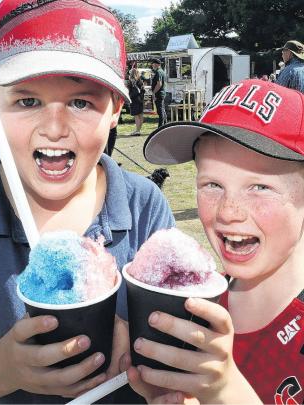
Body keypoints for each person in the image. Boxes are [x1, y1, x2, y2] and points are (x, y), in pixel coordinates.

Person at [0, 0, 175, 403]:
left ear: (115, 110)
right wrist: (0, 370)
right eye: (27, 101)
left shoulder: (144, 207)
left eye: (81, 102)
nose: (54, 128)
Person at [121, 79, 304, 404]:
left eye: (260, 186)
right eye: (212, 184)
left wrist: (225, 393)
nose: (229, 212)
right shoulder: (192, 306)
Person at [127, 68, 145, 136]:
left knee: (136, 115)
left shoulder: (130, 81)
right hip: (141, 99)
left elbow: (128, 90)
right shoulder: (140, 81)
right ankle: (138, 130)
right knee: (140, 115)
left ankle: (137, 131)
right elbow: (143, 90)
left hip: (134, 99)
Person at [151, 58, 167, 128]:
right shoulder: (162, 71)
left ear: (157, 64)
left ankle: (160, 127)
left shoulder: (158, 72)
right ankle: (165, 124)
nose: (152, 65)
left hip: (159, 93)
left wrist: (154, 92)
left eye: (153, 64)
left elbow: (159, 84)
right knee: (162, 110)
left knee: (160, 111)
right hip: (161, 93)